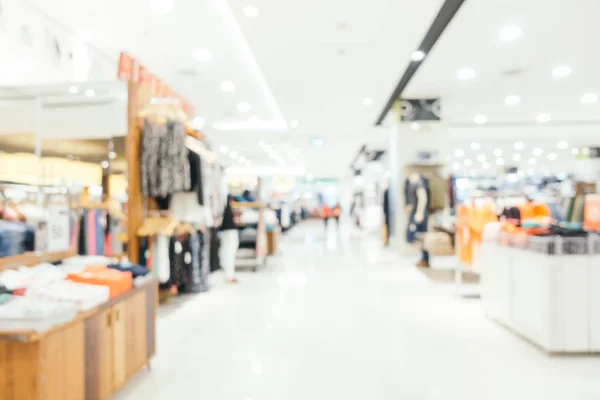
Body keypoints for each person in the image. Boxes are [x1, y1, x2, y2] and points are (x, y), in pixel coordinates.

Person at [219, 195, 239, 283]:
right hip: (229, 233)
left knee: (227, 254)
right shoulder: (228, 209)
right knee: (229, 254)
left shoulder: (226, 209)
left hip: (226, 232)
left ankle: (229, 275)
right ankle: (229, 276)